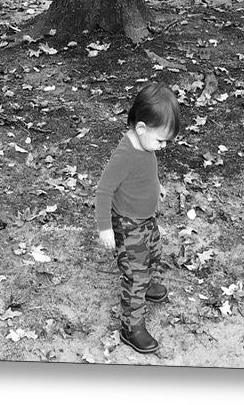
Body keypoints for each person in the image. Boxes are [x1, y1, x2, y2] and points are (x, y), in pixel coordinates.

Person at [95, 81, 180, 354]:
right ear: (141, 128)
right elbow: (104, 190)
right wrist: (105, 228)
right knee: (135, 274)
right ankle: (131, 327)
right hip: (128, 225)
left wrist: (157, 187)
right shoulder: (124, 155)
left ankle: (148, 283)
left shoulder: (147, 146)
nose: (163, 146)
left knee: (154, 252)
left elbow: (147, 174)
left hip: (146, 219)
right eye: (161, 140)